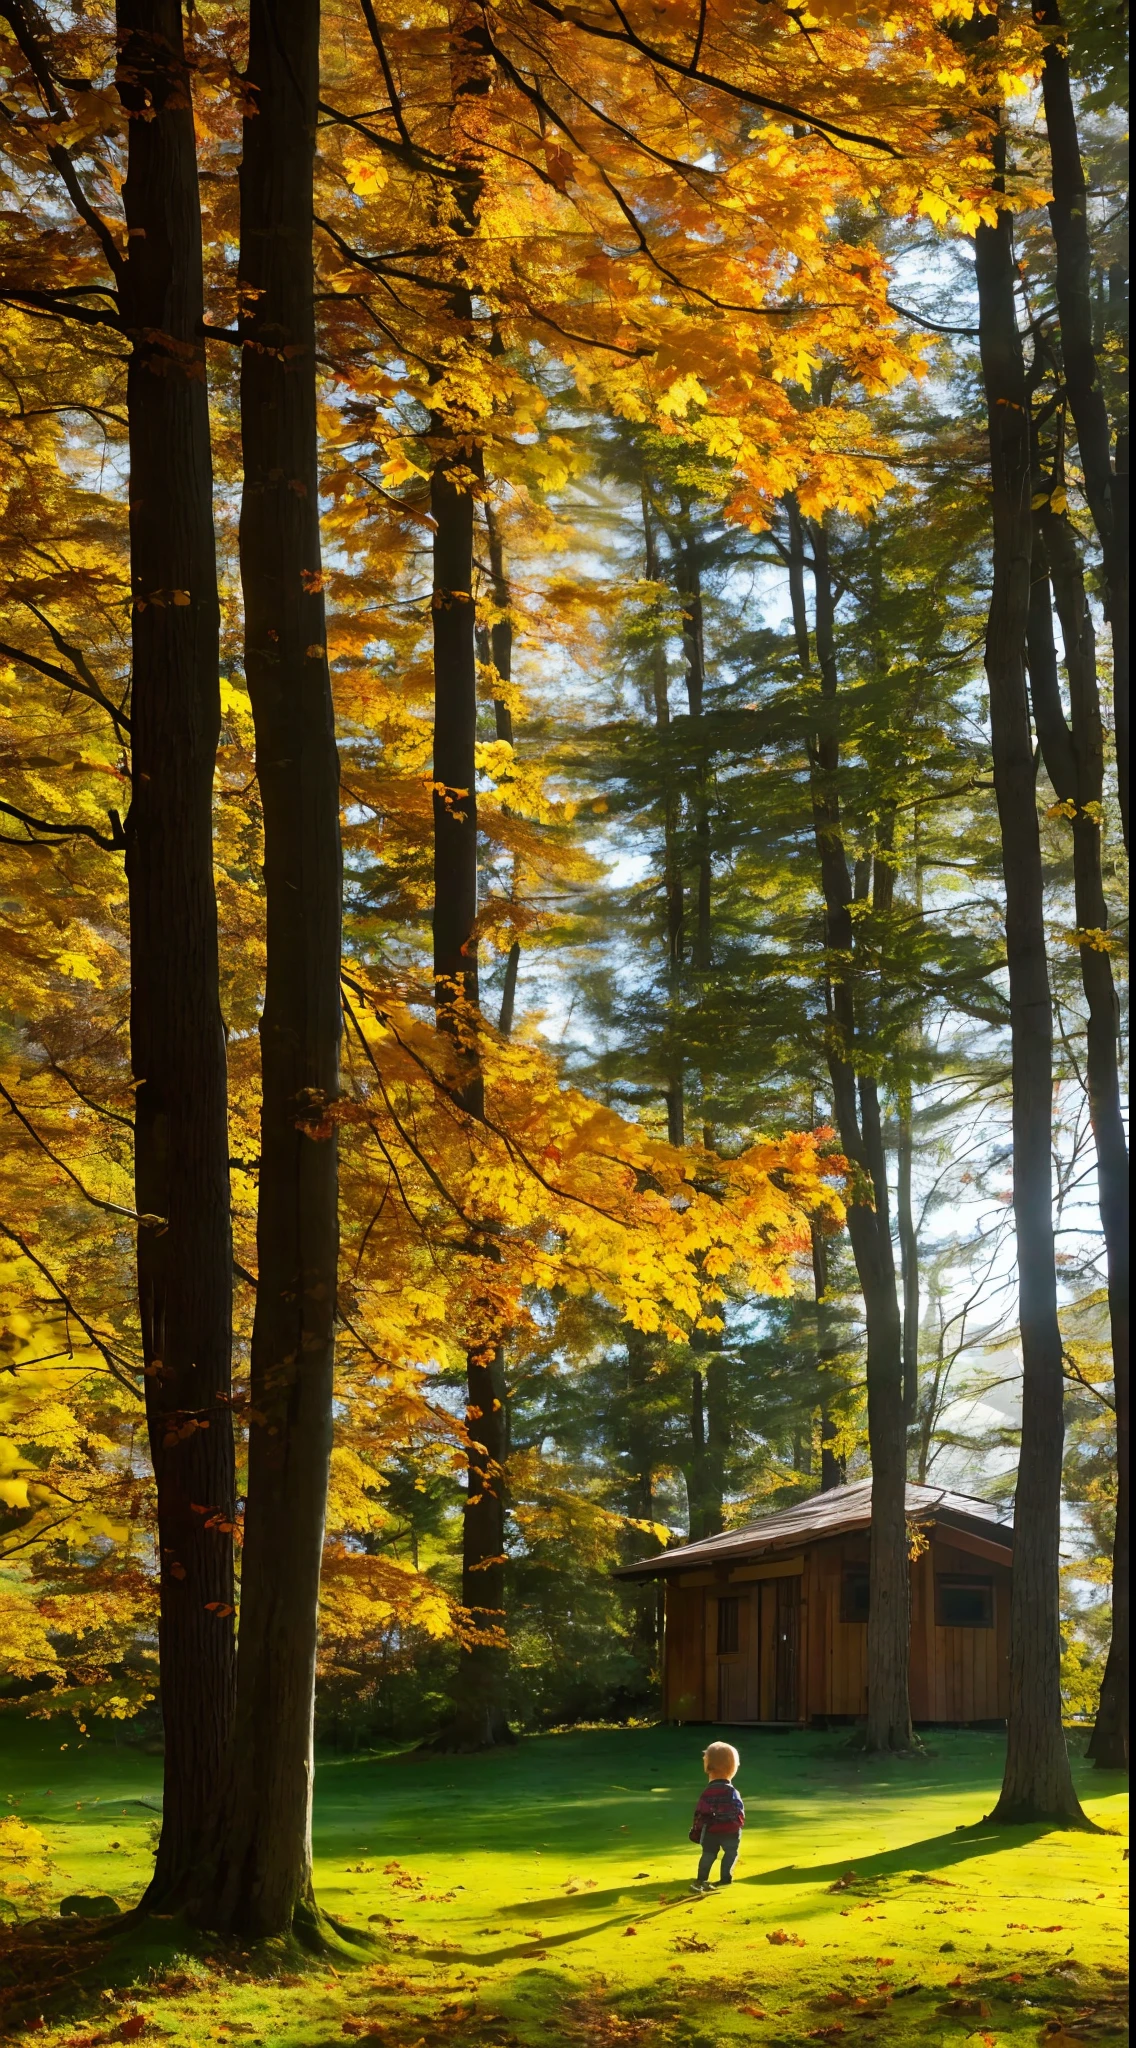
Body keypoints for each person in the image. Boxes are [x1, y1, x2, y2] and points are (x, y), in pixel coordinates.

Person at [688, 1739, 744, 1893]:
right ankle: (725, 1877)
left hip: (711, 1829)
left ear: (707, 1767)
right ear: (734, 1768)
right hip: (731, 1831)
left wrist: (696, 1831)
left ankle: (701, 1878)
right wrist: (737, 1825)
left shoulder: (707, 1792)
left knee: (708, 1853)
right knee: (731, 1852)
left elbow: (700, 1813)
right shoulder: (733, 1792)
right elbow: (740, 1812)